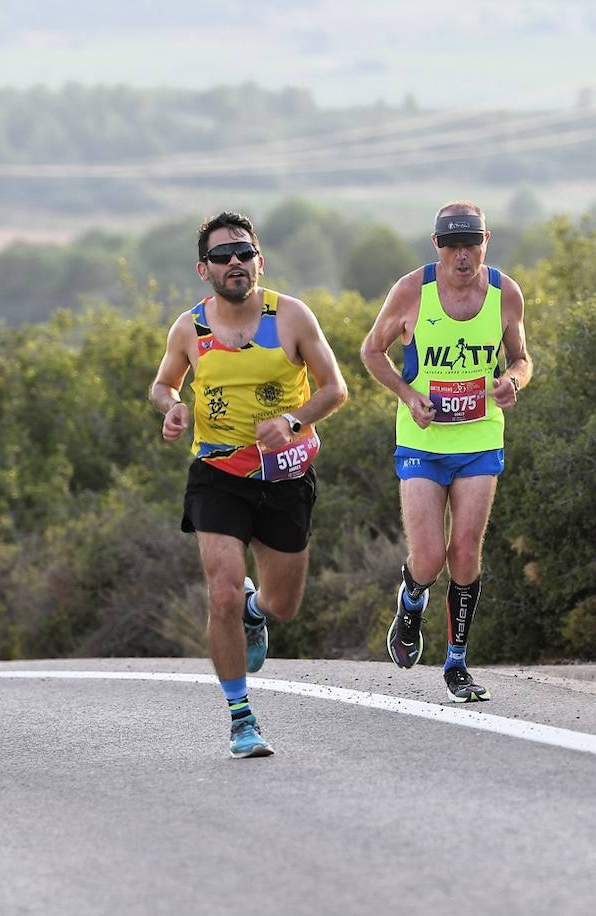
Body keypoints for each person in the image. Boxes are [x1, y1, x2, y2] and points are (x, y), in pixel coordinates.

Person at [150, 211, 348, 757]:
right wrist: (170, 409)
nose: (234, 262)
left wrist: (290, 422)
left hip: (284, 477)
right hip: (217, 473)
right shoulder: (190, 327)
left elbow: (336, 390)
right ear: (203, 269)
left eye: (243, 252)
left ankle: (257, 613)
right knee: (222, 591)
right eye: (222, 256)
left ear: (260, 260)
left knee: (282, 604)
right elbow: (164, 384)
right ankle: (241, 718)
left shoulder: (291, 317)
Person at [359, 201, 531, 702]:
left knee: (465, 553)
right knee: (430, 557)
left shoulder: (505, 293)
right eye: (452, 246)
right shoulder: (412, 291)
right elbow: (372, 350)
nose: (462, 256)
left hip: (479, 437)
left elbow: (521, 357)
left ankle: (456, 662)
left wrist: (512, 382)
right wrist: (409, 396)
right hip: (423, 441)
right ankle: (411, 601)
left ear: (486, 242)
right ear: (436, 246)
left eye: (471, 244)